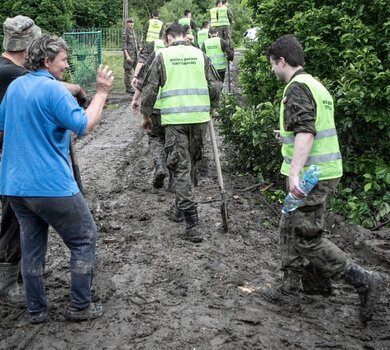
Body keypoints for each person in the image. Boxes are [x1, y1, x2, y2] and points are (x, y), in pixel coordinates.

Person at [266, 35, 383, 323]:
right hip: (324, 171)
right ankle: (307, 285)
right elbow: (308, 127)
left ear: (283, 61)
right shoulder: (316, 85)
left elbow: (308, 131)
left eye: (272, 64)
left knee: (306, 236)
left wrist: (294, 172)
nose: (272, 70)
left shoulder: (296, 88)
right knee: (292, 224)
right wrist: (287, 135)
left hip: (311, 176)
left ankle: (363, 280)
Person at [0, 34, 113, 323]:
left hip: (15, 185)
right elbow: (83, 124)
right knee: (84, 237)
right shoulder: (54, 92)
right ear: (47, 61)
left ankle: (36, 309)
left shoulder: (15, 88)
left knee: (32, 245)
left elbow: (3, 125)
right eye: (63, 60)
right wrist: (100, 93)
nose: (66, 65)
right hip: (50, 185)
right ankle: (80, 306)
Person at [0, 15, 87, 307]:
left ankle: (32, 295)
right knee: (18, 225)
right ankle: (10, 282)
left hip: (15, 166)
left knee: (28, 231)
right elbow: (55, 94)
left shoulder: (13, 75)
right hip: (33, 167)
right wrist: (77, 90)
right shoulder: (13, 75)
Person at [140, 24, 222, 243]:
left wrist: (146, 116)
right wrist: (213, 106)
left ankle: (192, 223)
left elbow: (149, 90)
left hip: (175, 121)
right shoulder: (200, 54)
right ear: (184, 36)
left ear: (167, 38)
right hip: (199, 119)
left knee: (181, 168)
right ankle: (179, 208)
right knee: (193, 164)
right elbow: (215, 85)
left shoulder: (163, 56)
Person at [131, 37, 168, 189]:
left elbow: (144, 80)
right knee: (175, 141)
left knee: (155, 137)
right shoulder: (189, 54)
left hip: (156, 107)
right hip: (178, 109)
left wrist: (135, 99)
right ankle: (175, 176)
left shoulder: (157, 54)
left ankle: (159, 165)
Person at [121, 18, 138, 94]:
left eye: (132, 22)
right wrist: (127, 56)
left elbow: (135, 42)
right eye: (130, 22)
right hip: (129, 55)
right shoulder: (125, 32)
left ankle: (137, 85)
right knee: (128, 72)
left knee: (137, 70)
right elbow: (124, 45)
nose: (131, 24)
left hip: (135, 55)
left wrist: (139, 49)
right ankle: (128, 88)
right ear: (127, 23)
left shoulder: (133, 31)